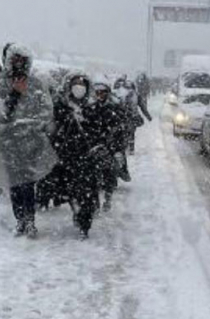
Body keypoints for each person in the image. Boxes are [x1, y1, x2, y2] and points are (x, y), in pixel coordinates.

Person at [0, 43, 56, 238]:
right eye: (15, 60)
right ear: (7, 61)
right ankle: (20, 220)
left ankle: (30, 221)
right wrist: (15, 94)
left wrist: (35, 126)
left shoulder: (37, 84)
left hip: (31, 142)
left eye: (23, 61)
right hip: (9, 142)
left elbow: (46, 111)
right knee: (14, 183)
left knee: (28, 183)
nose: (19, 64)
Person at [51, 72, 100, 237]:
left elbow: (98, 131)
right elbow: (55, 130)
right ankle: (76, 209)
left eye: (82, 84)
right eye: (75, 84)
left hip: (87, 156)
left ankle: (84, 222)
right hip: (67, 156)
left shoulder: (93, 107)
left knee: (87, 192)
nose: (79, 87)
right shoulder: (61, 105)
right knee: (70, 190)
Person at [87, 77, 128, 211]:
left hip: (110, 147)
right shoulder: (89, 108)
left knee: (109, 174)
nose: (100, 95)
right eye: (97, 92)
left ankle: (108, 198)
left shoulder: (115, 108)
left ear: (107, 93)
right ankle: (95, 203)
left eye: (103, 92)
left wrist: (117, 148)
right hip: (94, 147)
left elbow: (120, 129)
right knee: (92, 177)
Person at [114, 76, 143, 154]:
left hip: (128, 116)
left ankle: (130, 147)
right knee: (130, 132)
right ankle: (130, 148)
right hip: (129, 116)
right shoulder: (125, 95)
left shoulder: (123, 94)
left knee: (128, 132)